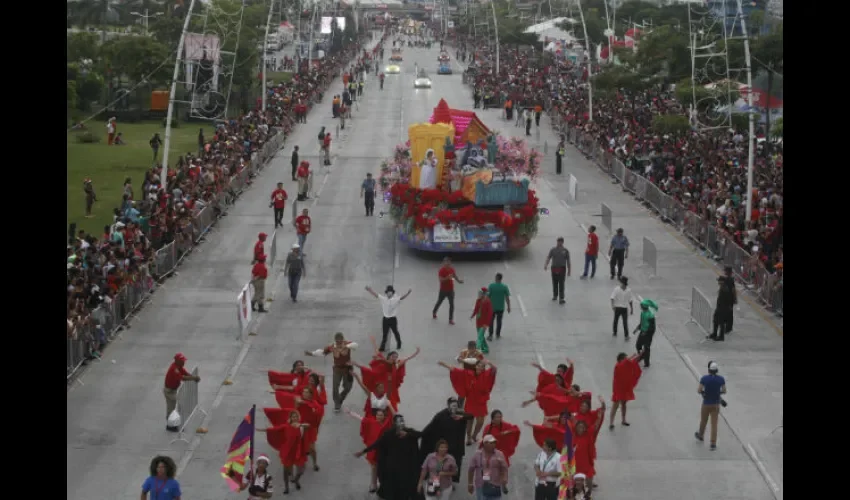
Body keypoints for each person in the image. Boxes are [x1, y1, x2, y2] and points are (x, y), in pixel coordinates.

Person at [355, 414, 423, 500]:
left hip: (406, 466)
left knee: (406, 486)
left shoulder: (409, 432)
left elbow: (421, 434)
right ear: (394, 423)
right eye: (399, 422)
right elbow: (378, 443)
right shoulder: (389, 434)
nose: (401, 423)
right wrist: (364, 451)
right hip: (393, 466)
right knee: (392, 486)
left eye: (402, 421)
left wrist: (408, 434)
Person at [438, 359, 498, 445]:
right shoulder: (468, 373)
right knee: (470, 421)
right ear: (475, 366)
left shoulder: (486, 375)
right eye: (478, 366)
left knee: (480, 422)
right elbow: (455, 370)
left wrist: (489, 362)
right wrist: (444, 364)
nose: (480, 368)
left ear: (484, 368)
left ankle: (474, 435)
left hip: (481, 402)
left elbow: (494, 369)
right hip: (471, 401)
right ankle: (469, 438)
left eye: (482, 366)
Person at [420, 398, 474, 485]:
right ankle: (436, 481)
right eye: (452, 406)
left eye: (456, 406)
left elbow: (471, 416)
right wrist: (419, 435)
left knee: (454, 466)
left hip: (457, 447)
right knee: (440, 466)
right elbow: (429, 428)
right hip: (444, 448)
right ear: (448, 406)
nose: (454, 408)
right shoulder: (441, 415)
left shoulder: (460, 413)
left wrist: (462, 416)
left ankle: (451, 482)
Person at [257, 409, 310, 494]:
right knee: (286, 471)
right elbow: (274, 429)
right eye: (293, 417)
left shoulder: (301, 426)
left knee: (301, 471)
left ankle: (296, 480)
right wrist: (260, 429)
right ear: (290, 418)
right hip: (288, 451)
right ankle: (286, 487)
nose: (295, 418)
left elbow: (308, 425)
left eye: (296, 416)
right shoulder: (286, 426)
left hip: (298, 451)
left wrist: (300, 425)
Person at [304, 332, 359, 412]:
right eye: (337, 340)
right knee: (335, 387)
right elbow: (322, 352)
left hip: (348, 369)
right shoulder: (332, 347)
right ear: (335, 340)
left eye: (340, 340)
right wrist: (311, 353)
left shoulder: (348, 344)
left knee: (348, 387)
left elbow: (356, 345)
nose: (339, 342)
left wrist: (346, 346)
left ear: (342, 339)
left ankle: (340, 398)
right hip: (337, 369)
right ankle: (337, 403)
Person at [345, 407, 393, 493]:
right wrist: (350, 413)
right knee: (374, 467)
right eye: (378, 415)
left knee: (383, 468)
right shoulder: (372, 422)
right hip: (373, 450)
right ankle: (373, 484)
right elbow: (361, 418)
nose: (379, 417)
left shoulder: (387, 425)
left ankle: (381, 484)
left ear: (384, 416)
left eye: (381, 415)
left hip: (384, 451)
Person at [365, 285, 412, 352]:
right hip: (385, 320)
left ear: (392, 293)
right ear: (386, 293)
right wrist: (369, 290)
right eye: (388, 292)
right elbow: (376, 295)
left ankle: (399, 344)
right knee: (385, 334)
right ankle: (382, 348)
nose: (389, 293)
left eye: (390, 292)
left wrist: (408, 293)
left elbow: (402, 297)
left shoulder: (396, 299)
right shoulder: (383, 299)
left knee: (395, 332)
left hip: (393, 319)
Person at [163, 353, 200, 432]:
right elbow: (183, 378)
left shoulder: (179, 366)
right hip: (169, 391)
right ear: (177, 361)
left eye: (184, 360)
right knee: (171, 408)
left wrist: (193, 377)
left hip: (173, 390)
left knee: (175, 406)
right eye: (182, 361)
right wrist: (194, 378)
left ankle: (174, 424)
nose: (184, 362)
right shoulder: (174, 369)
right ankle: (170, 426)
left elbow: (185, 373)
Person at [695, 361, 727, 450]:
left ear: (709, 370)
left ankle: (701, 435)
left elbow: (699, 390)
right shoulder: (721, 379)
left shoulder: (704, 379)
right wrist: (717, 393)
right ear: (716, 370)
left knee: (703, 421)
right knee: (714, 424)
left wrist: (704, 392)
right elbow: (724, 390)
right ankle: (713, 443)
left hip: (706, 404)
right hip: (716, 405)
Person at [609, 351, 644, 430]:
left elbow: (633, 361)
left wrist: (640, 355)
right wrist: (634, 356)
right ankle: (611, 423)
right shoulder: (618, 366)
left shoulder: (625, 365)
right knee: (615, 405)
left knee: (624, 404)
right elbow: (629, 361)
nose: (626, 360)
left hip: (624, 388)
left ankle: (623, 420)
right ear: (620, 359)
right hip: (618, 389)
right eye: (625, 358)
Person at [467, 434, 509, 498]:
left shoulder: (499, 454)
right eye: (491, 443)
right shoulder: (477, 454)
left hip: (495, 485)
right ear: (485, 444)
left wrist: (504, 479)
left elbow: (504, 468)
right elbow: (471, 469)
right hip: (481, 485)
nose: (494, 444)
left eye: (494, 442)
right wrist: (470, 484)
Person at [433, 257, 464, 324]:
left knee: (452, 305)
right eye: (446, 262)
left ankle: (450, 319)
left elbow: (454, 276)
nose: (447, 263)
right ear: (443, 263)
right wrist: (447, 278)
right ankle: (434, 312)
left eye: (449, 262)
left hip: (451, 290)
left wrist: (459, 281)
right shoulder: (441, 271)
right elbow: (441, 280)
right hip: (443, 290)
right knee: (439, 302)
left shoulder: (452, 269)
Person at [544, 237, 571, 304]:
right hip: (554, 268)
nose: (559, 243)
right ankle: (555, 295)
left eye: (560, 242)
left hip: (562, 269)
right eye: (558, 241)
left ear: (562, 242)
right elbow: (549, 257)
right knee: (555, 282)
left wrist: (569, 270)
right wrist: (546, 264)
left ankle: (561, 298)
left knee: (561, 283)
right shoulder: (553, 250)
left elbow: (568, 261)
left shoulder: (565, 251)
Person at [709, 275, 736, 342]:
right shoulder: (722, 288)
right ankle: (714, 333)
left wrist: (727, 308)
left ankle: (721, 336)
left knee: (721, 322)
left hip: (723, 309)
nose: (718, 282)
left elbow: (728, 300)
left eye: (719, 281)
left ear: (722, 282)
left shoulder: (725, 289)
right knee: (715, 320)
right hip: (719, 307)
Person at [632, 299, 658, 367]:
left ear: (644, 306)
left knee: (646, 347)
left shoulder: (650, 315)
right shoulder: (642, 313)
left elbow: (652, 327)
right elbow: (642, 323)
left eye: (641, 305)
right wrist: (637, 329)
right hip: (643, 331)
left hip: (648, 333)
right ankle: (641, 355)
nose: (640, 306)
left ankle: (647, 363)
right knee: (638, 345)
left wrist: (646, 333)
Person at [486, 273, 511, 341]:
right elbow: (507, 298)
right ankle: (498, 334)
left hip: (492, 307)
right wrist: (509, 307)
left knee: (491, 321)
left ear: (496, 278)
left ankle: (490, 335)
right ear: (501, 279)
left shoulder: (491, 286)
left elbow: (487, 296)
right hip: (500, 307)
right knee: (499, 321)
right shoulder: (504, 287)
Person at [471, 288, 494, 353]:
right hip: (478, 321)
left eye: (480, 293)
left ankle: (476, 349)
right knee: (481, 336)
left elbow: (490, 313)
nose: (479, 294)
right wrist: (472, 316)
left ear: (484, 294)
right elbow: (476, 309)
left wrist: (486, 324)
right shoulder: (478, 300)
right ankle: (486, 349)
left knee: (479, 337)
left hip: (484, 323)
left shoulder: (488, 302)